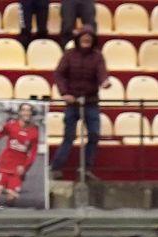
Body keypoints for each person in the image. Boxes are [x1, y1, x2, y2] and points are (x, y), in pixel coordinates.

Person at [50, 27, 110, 177]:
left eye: (89, 39)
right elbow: (59, 74)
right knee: (69, 136)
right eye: (84, 38)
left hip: (91, 102)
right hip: (72, 102)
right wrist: (65, 93)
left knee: (94, 134)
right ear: (78, 40)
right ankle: (55, 168)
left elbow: (101, 72)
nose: (86, 41)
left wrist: (104, 81)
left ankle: (86, 169)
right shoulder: (69, 55)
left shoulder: (97, 57)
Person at [0, 103, 41, 208]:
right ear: (20, 112)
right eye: (24, 110)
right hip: (4, 165)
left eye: (28, 110)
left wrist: (25, 167)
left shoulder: (34, 131)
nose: (26, 112)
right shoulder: (11, 126)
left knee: (11, 199)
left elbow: (33, 153)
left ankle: (9, 200)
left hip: (18, 169)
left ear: (31, 113)